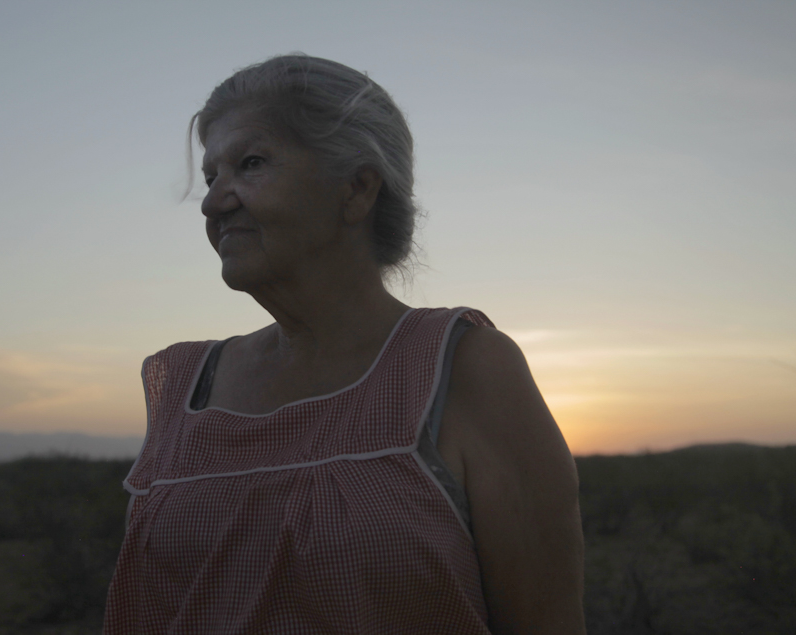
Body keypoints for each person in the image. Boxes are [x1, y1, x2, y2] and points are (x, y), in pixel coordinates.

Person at [104, 54, 585, 634]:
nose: (212, 202)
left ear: (357, 189)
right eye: (211, 177)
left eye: (250, 164)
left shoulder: (464, 367)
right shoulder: (183, 384)